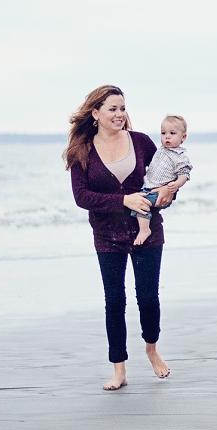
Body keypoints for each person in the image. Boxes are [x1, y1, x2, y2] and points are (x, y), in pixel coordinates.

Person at [65, 85, 172, 391]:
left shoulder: (140, 142)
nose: (119, 114)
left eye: (122, 108)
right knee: (115, 301)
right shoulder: (82, 151)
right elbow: (81, 196)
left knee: (148, 297)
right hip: (107, 235)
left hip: (147, 231)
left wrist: (165, 195)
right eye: (112, 109)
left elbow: (164, 178)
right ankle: (119, 369)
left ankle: (151, 349)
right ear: (95, 113)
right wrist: (122, 201)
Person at [132, 115, 192, 245]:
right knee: (138, 201)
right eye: (163, 133)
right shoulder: (161, 150)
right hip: (148, 187)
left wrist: (176, 185)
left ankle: (144, 230)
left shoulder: (180, 157)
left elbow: (184, 174)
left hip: (159, 192)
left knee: (141, 204)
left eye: (172, 133)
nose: (167, 136)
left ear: (183, 137)